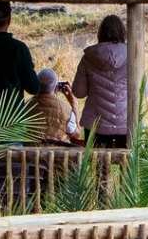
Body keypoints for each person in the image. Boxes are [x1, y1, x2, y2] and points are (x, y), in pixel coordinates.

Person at [72, 14, 130, 148]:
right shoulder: (132, 55)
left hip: (95, 125)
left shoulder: (88, 58)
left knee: (97, 165)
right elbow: (144, 90)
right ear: (122, 32)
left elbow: (79, 92)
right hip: (126, 123)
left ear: (100, 33)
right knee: (127, 165)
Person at [32, 67, 81, 144]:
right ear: (56, 87)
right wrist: (74, 104)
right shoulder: (67, 111)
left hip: (29, 154)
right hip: (57, 155)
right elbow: (76, 135)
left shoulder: (25, 106)